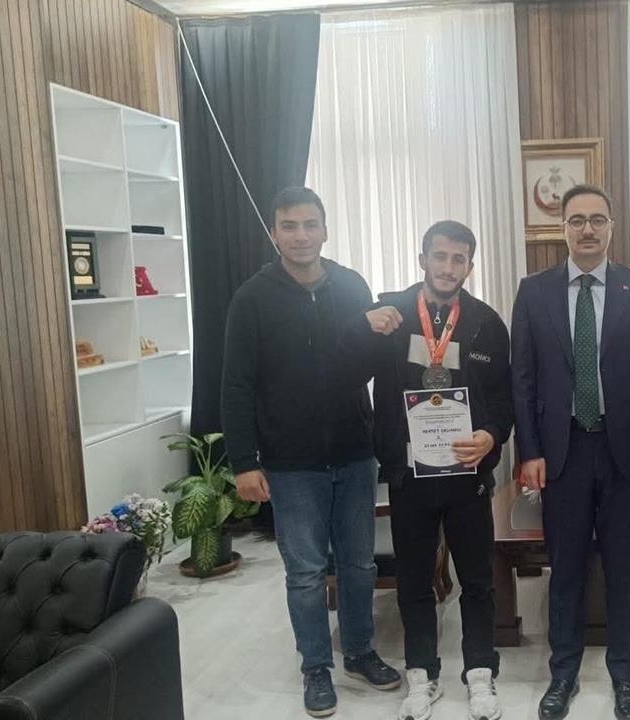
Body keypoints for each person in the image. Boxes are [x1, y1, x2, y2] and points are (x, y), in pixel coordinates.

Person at [221, 187, 400, 718]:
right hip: (290, 462)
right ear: (274, 232)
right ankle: (316, 667)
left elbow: (367, 364)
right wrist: (243, 462)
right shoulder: (251, 298)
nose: (300, 236)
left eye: (309, 225)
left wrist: (377, 331)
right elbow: (236, 385)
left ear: (325, 229)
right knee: (304, 573)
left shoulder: (351, 285)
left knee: (359, 564)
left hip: (354, 452)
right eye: (289, 226)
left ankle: (360, 652)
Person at [510, 184, 630, 720]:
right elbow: (523, 380)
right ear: (562, 228)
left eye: (597, 220)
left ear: (611, 227)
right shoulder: (533, 291)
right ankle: (563, 674)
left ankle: (625, 674)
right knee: (566, 569)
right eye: (577, 220)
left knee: (625, 569)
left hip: (626, 452)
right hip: (562, 453)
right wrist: (529, 451)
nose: (587, 229)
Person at [348, 220, 512, 720]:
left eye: (458, 259)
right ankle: (422, 674)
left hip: (466, 473)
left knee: (477, 579)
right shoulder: (390, 314)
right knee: (415, 581)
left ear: (469, 266)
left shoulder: (486, 322)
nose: (448, 267)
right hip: (409, 476)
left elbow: (503, 397)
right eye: (439, 256)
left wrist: (492, 434)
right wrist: (362, 327)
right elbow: (349, 369)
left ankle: (479, 673)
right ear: (423, 259)